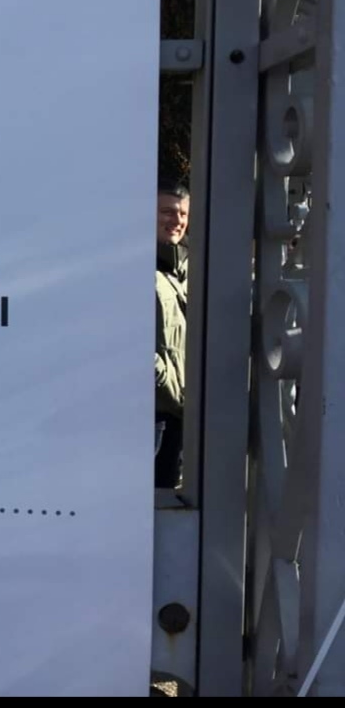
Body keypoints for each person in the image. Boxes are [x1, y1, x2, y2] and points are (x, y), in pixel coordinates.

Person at [154, 180, 189, 489]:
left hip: (182, 414)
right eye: (167, 211)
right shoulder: (136, 267)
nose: (177, 220)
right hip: (154, 415)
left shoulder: (188, 269)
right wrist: (166, 382)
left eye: (182, 213)